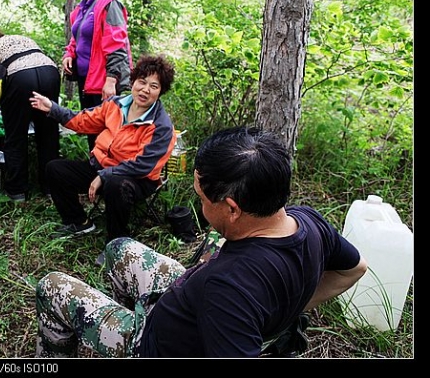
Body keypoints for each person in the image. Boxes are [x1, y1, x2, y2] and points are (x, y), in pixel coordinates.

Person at [34, 126, 368, 358]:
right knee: (118, 248)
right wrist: (286, 313)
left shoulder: (228, 287)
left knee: (52, 286)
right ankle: (129, 313)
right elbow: (355, 269)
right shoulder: (308, 221)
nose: (200, 206)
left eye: (202, 198)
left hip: (155, 347)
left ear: (232, 209)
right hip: (188, 310)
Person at [29, 54, 176, 245]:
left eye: (154, 86)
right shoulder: (115, 105)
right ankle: (79, 221)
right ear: (133, 82)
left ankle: (117, 243)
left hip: (136, 179)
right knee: (55, 169)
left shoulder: (161, 126)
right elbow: (83, 120)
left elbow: (145, 166)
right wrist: (52, 108)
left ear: (160, 91)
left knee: (116, 184)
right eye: (142, 82)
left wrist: (106, 175)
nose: (145, 90)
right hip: (101, 167)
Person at [0, 28, 61, 202]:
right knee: (49, 133)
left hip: (19, 77)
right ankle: (51, 188)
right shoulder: (19, 38)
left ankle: (17, 191)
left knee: (15, 136)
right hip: (50, 72)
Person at [62, 0, 133, 153]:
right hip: (87, 82)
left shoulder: (109, 4)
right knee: (92, 132)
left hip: (104, 84)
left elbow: (117, 45)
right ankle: (93, 175)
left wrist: (111, 80)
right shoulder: (83, 8)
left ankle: (107, 178)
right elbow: (77, 38)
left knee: (106, 135)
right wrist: (69, 53)